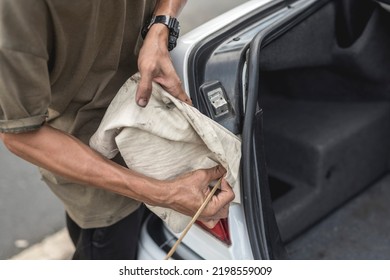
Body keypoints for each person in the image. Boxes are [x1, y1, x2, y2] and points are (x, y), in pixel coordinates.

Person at [0, 0, 235, 259]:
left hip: (166, 133)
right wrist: (163, 194)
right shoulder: (13, 13)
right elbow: (22, 136)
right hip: (102, 182)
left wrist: (162, 23)